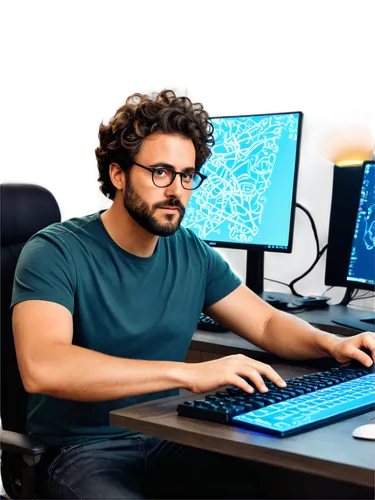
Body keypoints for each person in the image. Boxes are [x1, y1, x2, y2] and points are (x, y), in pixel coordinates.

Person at [11, 86, 375, 499]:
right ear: (117, 173)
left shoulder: (190, 251)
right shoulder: (55, 250)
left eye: (187, 176)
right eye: (161, 172)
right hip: (83, 449)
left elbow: (267, 321)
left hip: (170, 437)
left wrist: (335, 345)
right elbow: (44, 365)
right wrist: (188, 373)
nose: (177, 191)